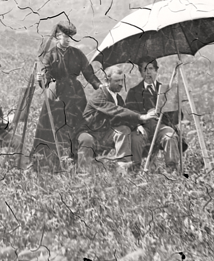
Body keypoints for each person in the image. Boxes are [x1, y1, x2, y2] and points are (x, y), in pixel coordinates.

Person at [29, 22, 101, 171]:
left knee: (77, 127)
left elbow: (89, 73)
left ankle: (77, 160)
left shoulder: (77, 54)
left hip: (76, 97)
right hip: (57, 97)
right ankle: (50, 164)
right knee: (55, 129)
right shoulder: (49, 54)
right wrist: (41, 78)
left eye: (71, 37)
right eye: (65, 36)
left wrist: (98, 85)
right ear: (57, 36)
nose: (68, 39)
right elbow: (45, 78)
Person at [79, 65, 158, 172]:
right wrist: (141, 117)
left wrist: (137, 125)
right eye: (117, 81)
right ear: (107, 81)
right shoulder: (98, 96)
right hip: (90, 133)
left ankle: (123, 167)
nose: (121, 84)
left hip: (104, 134)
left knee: (124, 129)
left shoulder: (118, 98)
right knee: (86, 141)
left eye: (122, 80)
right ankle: (84, 172)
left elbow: (123, 116)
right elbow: (117, 111)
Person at [124, 56, 185, 170]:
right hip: (143, 127)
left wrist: (176, 105)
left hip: (161, 126)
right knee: (135, 138)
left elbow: (177, 118)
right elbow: (128, 114)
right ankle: (135, 169)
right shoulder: (134, 92)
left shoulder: (166, 90)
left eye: (151, 69)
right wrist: (137, 125)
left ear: (156, 70)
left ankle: (172, 170)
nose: (148, 73)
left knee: (170, 135)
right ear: (140, 73)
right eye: (144, 70)